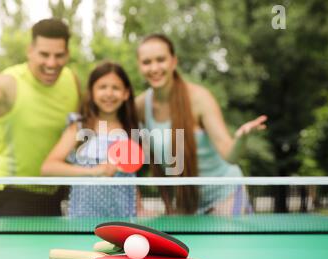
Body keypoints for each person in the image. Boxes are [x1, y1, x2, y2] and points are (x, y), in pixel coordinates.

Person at [0, 19, 81, 216]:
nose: (52, 63)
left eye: (59, 55)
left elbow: (77, 131)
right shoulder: (8, 84)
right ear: (30, 51)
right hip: (12, 193)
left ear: (67, 54)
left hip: (53, 192)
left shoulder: (72, 80)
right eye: (44, 54)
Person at [136, 34, 267, 215]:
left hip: (225, 196)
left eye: (161, 60)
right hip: (186, 202)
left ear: (174, 61)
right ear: (139, 66)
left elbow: (230, 155)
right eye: (147, 62)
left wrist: (241, 139)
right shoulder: (141, 105)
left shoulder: (199, 98)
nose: (154, 68)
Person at [41, 61, 140, 217]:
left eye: (115, 88)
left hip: (123, 221)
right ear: (92, 92)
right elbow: (48, 168)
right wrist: (93, 171)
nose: (109, 93)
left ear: (126, 93)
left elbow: (132, 180)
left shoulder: (132, 130)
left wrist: (140, 209)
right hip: (82, 220)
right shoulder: (79, 127)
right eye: (102, 87)